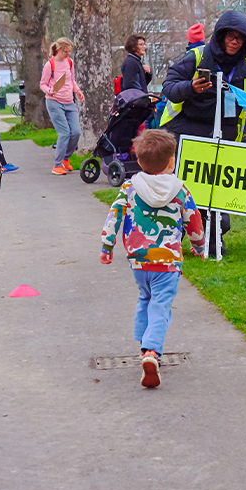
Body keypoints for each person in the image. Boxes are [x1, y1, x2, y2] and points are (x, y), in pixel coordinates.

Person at [160, 10, 246, 255]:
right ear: (220, 35)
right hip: (187, 134)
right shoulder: (196, 57)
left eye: (240, 38)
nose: (235, 42)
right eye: (230, 36)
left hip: (224, 137)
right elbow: (169, 86)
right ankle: (170, 241)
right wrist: (191, 87)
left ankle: (213, 241)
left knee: (218, 195)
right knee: (183, 193)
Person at [99, 129, 205, 388]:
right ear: (171, 161)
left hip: (139, 261)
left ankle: (143, 345)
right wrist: (199, 245)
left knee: (145, 298)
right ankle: (152, 351)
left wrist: (107, 245)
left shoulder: (130, 187)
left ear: (138, 160)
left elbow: (114, 215)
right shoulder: (180, 190)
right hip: (167, 262)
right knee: (161, 306)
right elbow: (193, 220)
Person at [40, 37, 84, 175]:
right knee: (64, 133)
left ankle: (66, 158)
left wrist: (77, 91)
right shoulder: (50, 65)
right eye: (66, 51)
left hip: (69, 102)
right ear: (59, 50)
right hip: (54, 102)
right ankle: (57, 165)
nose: (68, 54)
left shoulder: (69, 62)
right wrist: (49, 90)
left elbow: (71, 80)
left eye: (70, 51)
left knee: (76, 132)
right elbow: (42, 84)